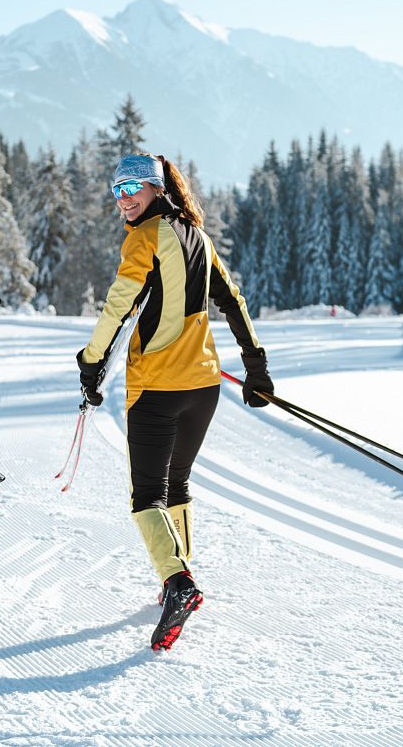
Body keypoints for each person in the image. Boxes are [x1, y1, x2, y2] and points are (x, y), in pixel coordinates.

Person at [76, 153, 274, 652]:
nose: (123, 198)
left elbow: (119, 304)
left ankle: (177, 583)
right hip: (203, 388)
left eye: (133, 188)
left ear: (156, 189)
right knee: (176, 482)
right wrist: (255, 368)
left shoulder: (144, 237)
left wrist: (90, 358)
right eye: (116, 189)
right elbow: (233, 299)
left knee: (147, 496)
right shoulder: (198, 236)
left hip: (157, 388)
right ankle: (180, 575)